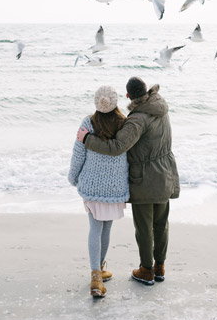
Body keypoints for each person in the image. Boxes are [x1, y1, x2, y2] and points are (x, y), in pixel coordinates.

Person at [77, 76, 179, 286]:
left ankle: (146, 270)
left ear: (128, 96)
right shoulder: (161, 107)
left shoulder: (137, 119)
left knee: (144, 227)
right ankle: (160, 267)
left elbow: (116, 147)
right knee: (161, 224)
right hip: (166, 173)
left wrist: (87, 139)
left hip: (145, 179)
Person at [68, 85, 129, 298]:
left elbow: (78, 154)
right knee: (106, 228)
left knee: (95, 228)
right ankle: (100, 270)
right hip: (115, 187)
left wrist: (73, 177)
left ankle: (96, 275)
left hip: (92, 186)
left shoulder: (88, 123)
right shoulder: (124, 124)